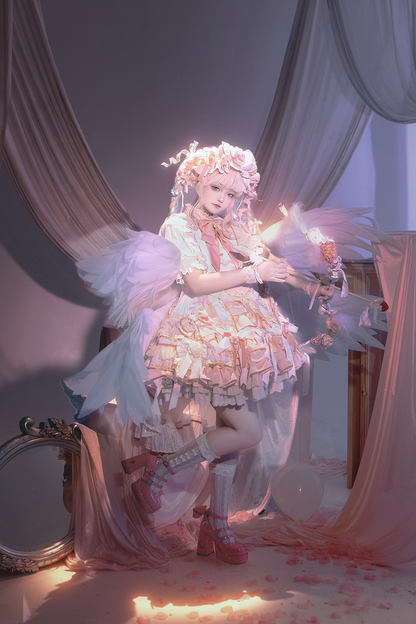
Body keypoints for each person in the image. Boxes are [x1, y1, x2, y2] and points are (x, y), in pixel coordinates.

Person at [69, 141, 333, 565]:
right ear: (196, 182)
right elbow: (193, 283)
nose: (223, 199)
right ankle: (158, 476)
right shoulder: (178, 224)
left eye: (232, 193)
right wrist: (253, 272)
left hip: (240, 333)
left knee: (234, 431)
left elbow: (272, 264)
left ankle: (216, 523)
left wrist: (314, 285)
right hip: (204, 333)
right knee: (246, 431)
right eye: (215, 188)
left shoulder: (238, 226)